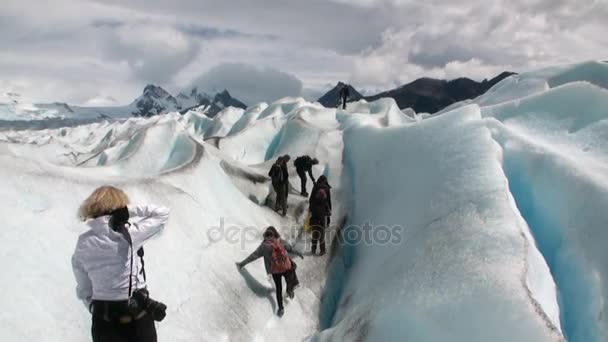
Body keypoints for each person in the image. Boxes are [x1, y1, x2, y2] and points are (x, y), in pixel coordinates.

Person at [72, 186, 170, 342]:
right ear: (120, 208)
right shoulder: (129, 234)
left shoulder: (83, 242)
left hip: (103, 325)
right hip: (137, 321)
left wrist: (97, 309)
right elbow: (163, 213)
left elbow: (85, 289)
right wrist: (130, 211)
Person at [236, 227, 303, 316]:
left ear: (265, 236)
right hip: (286, 267)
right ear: (274, 234)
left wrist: (242, 264)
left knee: (278, 289)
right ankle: (290, 290)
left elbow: (253, 256)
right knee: (290, 277)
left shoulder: (263, 247)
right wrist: (298, 253)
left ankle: (281, 308)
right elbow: (289, 248)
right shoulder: (279, 241)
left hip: (275, 270)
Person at [309, 176, 332, 255]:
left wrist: (311, 210)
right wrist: (328, 217)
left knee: (315, 234)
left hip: (314, 219)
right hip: (322, 221)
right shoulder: (326, 190)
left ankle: (313, 249)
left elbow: (311, 200)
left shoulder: (315, 188)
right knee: (321, 236)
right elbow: (329, 203)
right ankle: (322, 250)